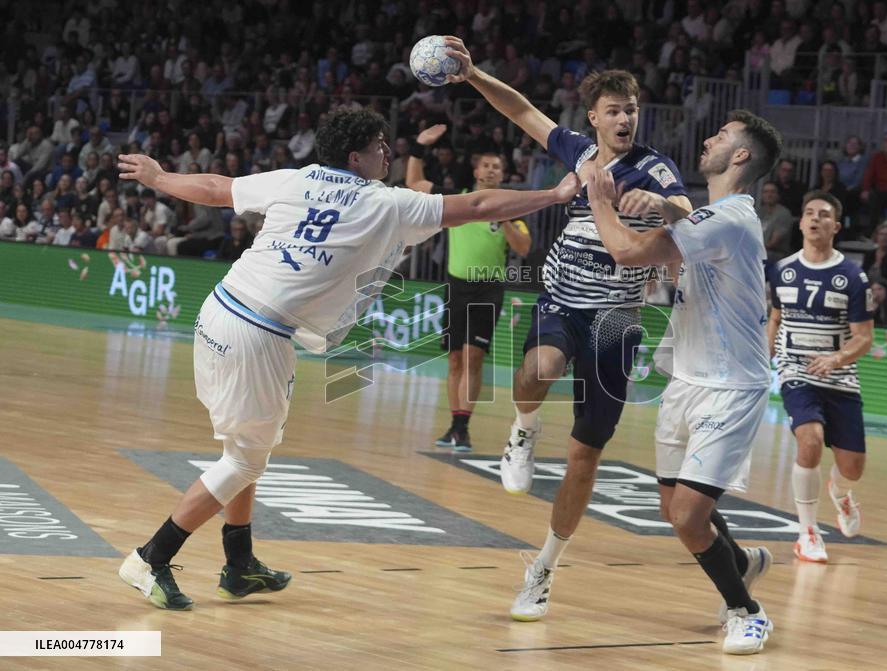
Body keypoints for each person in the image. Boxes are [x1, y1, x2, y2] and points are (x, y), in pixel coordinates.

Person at [115, 108, 581, 611]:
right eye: (381, 145)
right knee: (245, 458)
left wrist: (160, 177)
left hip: (221, 310)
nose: (388, 151)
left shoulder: (295, 180)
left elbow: (215, 187)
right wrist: (554, 195)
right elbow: (481, 203)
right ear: (356, 156)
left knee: (247, 448)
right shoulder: (386, 203)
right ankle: (150, 558)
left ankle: (240, 563)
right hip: (257, 334)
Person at [444, 37, 694, 622]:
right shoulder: (580, 155)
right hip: (563, 301)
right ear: (594, 118)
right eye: (614, 109)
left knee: (585, 457)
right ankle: (523, 429)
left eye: (631, 108)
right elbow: (521, 111)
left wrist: (659, 207)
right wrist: (476, 74)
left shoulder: (655, 168)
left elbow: (688, 211)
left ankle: (543, 569)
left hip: (616, 322)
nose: (625, 117)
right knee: (539, 368)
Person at [587, 109, 783, 655]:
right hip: (686, 378)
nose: (708, 139)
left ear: (740, 156)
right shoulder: (716, 213)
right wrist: (663, 204)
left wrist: (598, 197)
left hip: (730, 385)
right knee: (671, 506)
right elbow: (687, 214)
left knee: (688, 517)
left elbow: (627, 252)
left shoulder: (731, 219)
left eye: (721, 137)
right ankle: (741, 563)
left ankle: (748, 611)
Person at [406, 123, 532, 452]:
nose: (491, 170)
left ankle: (462, 427)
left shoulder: (511, 205)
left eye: (497, 167)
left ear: (503, 175)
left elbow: (523, 247)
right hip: (456, 287)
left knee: (474, 359)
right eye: (486, 165)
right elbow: (414, 183)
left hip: (487, 289)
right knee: (455, 360)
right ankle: (454, 424)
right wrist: (420, 146)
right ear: (476, 170)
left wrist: (502, 216)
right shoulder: (459, 201)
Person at [768, 192, 875, 563]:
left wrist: (837, 358)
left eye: (824, 215)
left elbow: (864, 337)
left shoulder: (853, 276)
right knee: (809, 440)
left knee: (853, 467)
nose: (815, 219)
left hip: (840, 377)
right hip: (796, 369)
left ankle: (841, 493)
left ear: (836, 226)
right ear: (800, 223)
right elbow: (775, 319)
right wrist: (762, 360)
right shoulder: (781, 269)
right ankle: (808, 531)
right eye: (809, 213)